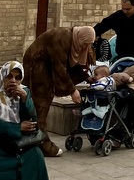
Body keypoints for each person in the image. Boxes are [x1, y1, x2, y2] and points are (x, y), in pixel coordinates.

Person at [22, 25, 96, 156]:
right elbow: (60, 68)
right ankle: (42, 143)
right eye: (85, 44)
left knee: (35, 103)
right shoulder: (62, 38)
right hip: (37, 65)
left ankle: (32, 137)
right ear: (80, 38)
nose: (85, 48)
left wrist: (86, 77)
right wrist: (73, 90)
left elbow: (70, 65)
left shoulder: (73, 38)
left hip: (45, 65)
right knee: (41, 102)